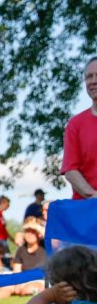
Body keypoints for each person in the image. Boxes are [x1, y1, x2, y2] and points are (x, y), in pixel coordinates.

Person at [61, 57, 97, 199]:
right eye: (89, 77)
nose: (93, 80)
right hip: (88, 211)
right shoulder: (75, 125)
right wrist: (94, 196)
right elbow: (70, 170)